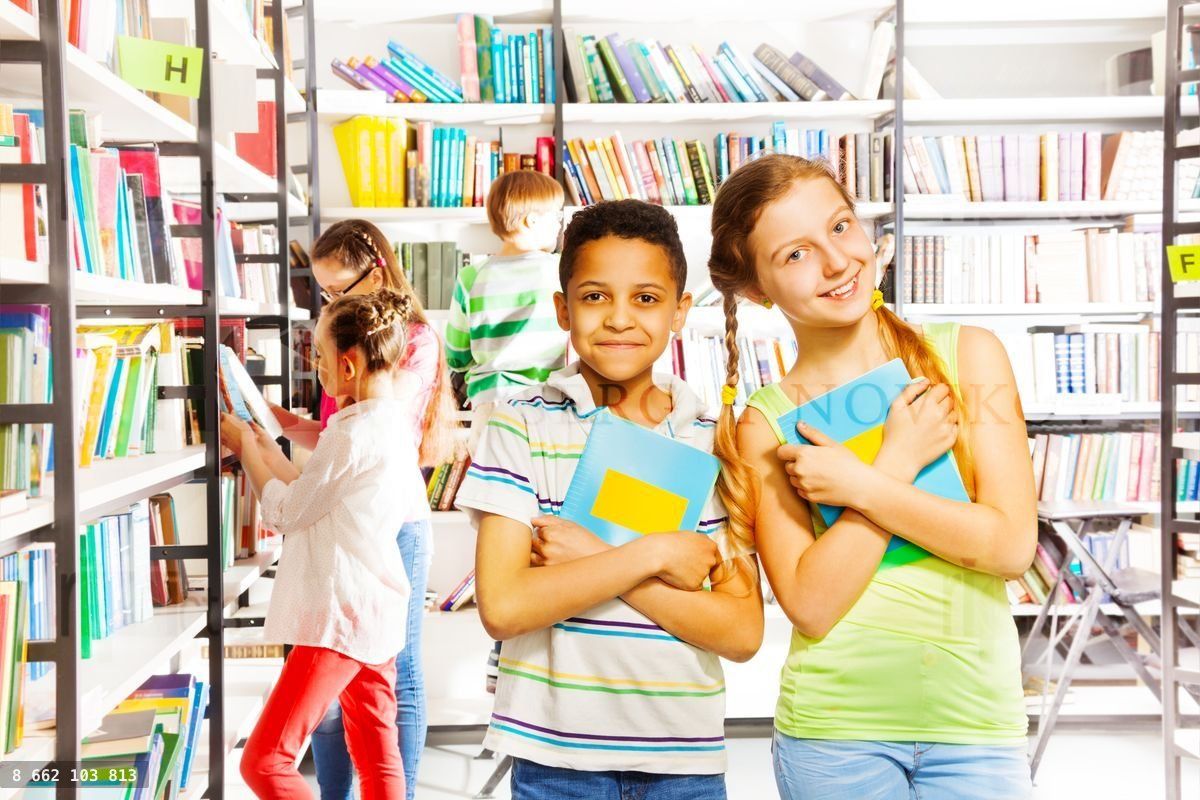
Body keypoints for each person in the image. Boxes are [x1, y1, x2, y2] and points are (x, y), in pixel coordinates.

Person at [707, 153, 1036, 799]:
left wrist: (865, 486)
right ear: (755, 290)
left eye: (839, 227)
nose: (836, 262)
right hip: (836, 734)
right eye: (795, 254)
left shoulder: (969, 357)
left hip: (977, 725)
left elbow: (1009, 548)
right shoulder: (767, 423)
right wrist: (895, 462)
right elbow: (810, 603)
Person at [454, 199, 764, 800]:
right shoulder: (520, 428)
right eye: (596, 296)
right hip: (556, 762)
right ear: (562, 311)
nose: (620, 318)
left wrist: (596, 558)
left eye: (645, 298)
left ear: (679, 312)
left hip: (686, 762)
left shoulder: (715, 440)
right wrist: (655, 556)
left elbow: (741, 630)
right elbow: (507, 607)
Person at [270, 219, 455, 800]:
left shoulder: (413, 343)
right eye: (323, 293)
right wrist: (269, 422)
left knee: (393, 672)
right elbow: (333, 432)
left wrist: (276, 466)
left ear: (374, 272)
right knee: (332, 677)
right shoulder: (341, 339)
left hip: (393, 522)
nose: (331, 303)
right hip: (344, 517)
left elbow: (370, 433)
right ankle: (334, 793)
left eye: (339, 291)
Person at [226, 289, 420, 800]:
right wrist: (266, 445)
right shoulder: (389, 424)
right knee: (379, 761)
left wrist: (247, 450)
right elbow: (315, 499)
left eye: (318, 354)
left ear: (349, 364)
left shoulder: (351, 434)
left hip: (339, 619)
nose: (316, 366)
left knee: (265, 761)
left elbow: (288, 513)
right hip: (375, 614)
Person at [444, 169, 569, 448]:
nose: (560, 225)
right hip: (548, 404)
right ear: (532, 220)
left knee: (493, 489)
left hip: (490, 407)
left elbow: (456, 356)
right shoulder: (560, 272)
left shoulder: (471, 277)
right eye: (557, 216)